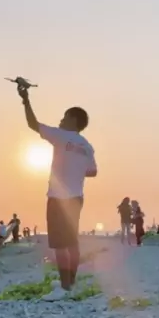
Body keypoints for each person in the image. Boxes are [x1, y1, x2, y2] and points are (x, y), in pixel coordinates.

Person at [18, 83, 97, 300]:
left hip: (58, 198)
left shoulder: (61, 136)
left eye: (64, 117)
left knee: (60, 244)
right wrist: (76, 168)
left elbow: (32, 124)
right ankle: (71, 282)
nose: (60, 120)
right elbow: (92, 172)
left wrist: (25, 99)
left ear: (73, 120)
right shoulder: (87, 145)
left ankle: (64, 288)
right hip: (77, 197)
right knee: (72, 241)